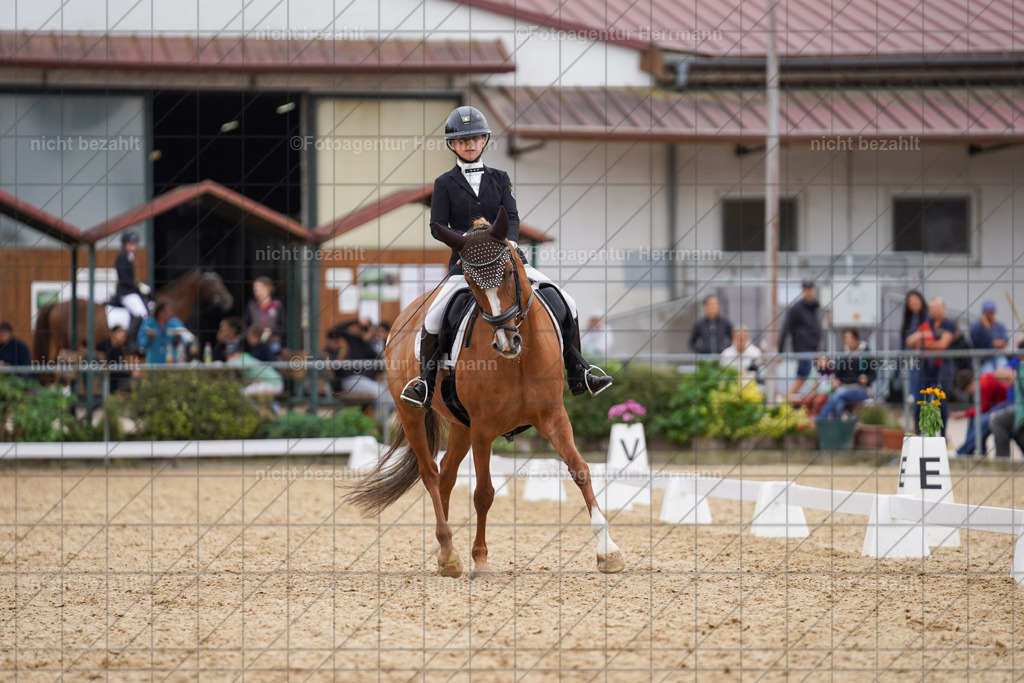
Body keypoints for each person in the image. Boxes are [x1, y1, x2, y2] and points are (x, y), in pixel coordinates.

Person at [400, 105, 612, 408]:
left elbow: (511, 217)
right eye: (462, 141)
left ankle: (579, 372)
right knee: (433, 318)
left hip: (508, 262)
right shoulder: (444, 183)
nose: (469, 145)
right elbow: (436, 226)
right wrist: (464, 246)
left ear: (484, 140)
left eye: (474, 139)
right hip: (466, 267)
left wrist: (508, 245)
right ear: (453, 145)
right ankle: (424, 383)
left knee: (567, 301)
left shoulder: (500, 177)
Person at [906, 297, 957, 435]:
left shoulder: (949, 324)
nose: (934, 310)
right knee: (919, 401)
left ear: (943, 308)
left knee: (940, 402)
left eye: (937, 307)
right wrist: (927, 339)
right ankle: (919, 433)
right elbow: (911, 341)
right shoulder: (927, 324)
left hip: (943, 368)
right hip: (926, 367)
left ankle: (943, 436)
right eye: (932, 307)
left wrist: (924, 343)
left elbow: (942, 345)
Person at [816, 329, 876, 421]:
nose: (848, 340)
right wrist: (836, 380)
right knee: (838, 404)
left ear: (856, 338)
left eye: (850, 337)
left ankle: (819, 420)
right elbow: (837, 374)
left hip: (860, 389)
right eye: (845, 338)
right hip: (844, 388)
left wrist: (866, 378)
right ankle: (838, 431)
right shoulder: (842, 354)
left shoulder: (865, 353)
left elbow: (873, 374)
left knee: (838, 394)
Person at [950, 368, 1010, 456]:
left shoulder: (985, 384)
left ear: (973, 381)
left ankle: (963, 452)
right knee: (975, 419)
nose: (970, 393)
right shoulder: (983, 380)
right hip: (999, 407)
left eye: (968, 389)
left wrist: (963, 414)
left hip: (1006, 405)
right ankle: (973, 451)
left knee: (981, 421)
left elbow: (982, 408)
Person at [779, 279, 823, 397]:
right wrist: (780, 351)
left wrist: (818, 348)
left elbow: (817, 329)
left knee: (801, 379)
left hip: (812, 350)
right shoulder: (796, 309)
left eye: (811, 289)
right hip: (803, 349)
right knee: (812, 380)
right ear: (803, 291)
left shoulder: (815, 307)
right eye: (806, 290)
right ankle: (814, 409)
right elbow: (785, 329)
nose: (809, 292)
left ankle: (783, 399)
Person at [114, 230, 151, 343]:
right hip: (125, 293)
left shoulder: (129, 257)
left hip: (131, 292)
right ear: (125, 244)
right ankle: (132, 342)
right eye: (131, 243)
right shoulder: (121, 258)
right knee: (141, 313)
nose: (134, 246)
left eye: (135, 243)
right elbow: (125, 279)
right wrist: (137, 286)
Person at [243, 276, 285, 358]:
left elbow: (283, 327)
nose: (256, 291)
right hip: (255, 346)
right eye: (254, 289)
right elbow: (245, 325)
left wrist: (271, 331)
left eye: (259, 288)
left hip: (273, 345)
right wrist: (252, 336)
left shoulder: (277, 305)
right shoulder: (251, 306)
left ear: (268, 288)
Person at [989, 363, 1024, 458]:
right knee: (992, 417)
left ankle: (1002, 463)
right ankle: (1002, 461)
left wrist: (1016, 376)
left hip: (1017, 409)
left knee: (996, 420)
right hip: (1014, 407)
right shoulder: (1018, 361)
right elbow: (997, 373)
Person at [969, 300, 1009, 373]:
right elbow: (978, 343)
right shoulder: (976, 326)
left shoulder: (1000, 326)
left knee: (1004, 370)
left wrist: (989, 342)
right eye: (988, 312)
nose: (990, 314)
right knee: (989, 374)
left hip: (998, 356)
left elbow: (1003, 344)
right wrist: (986, 327)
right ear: (984, 312)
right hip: (982, 358)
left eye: (992, 312)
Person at [96, 325, 131, 393]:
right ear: (112, 333)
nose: (124, 335)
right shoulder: (104, 346)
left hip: (117, 380)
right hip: (108, 382)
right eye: (120, 332)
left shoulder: (120, 349)